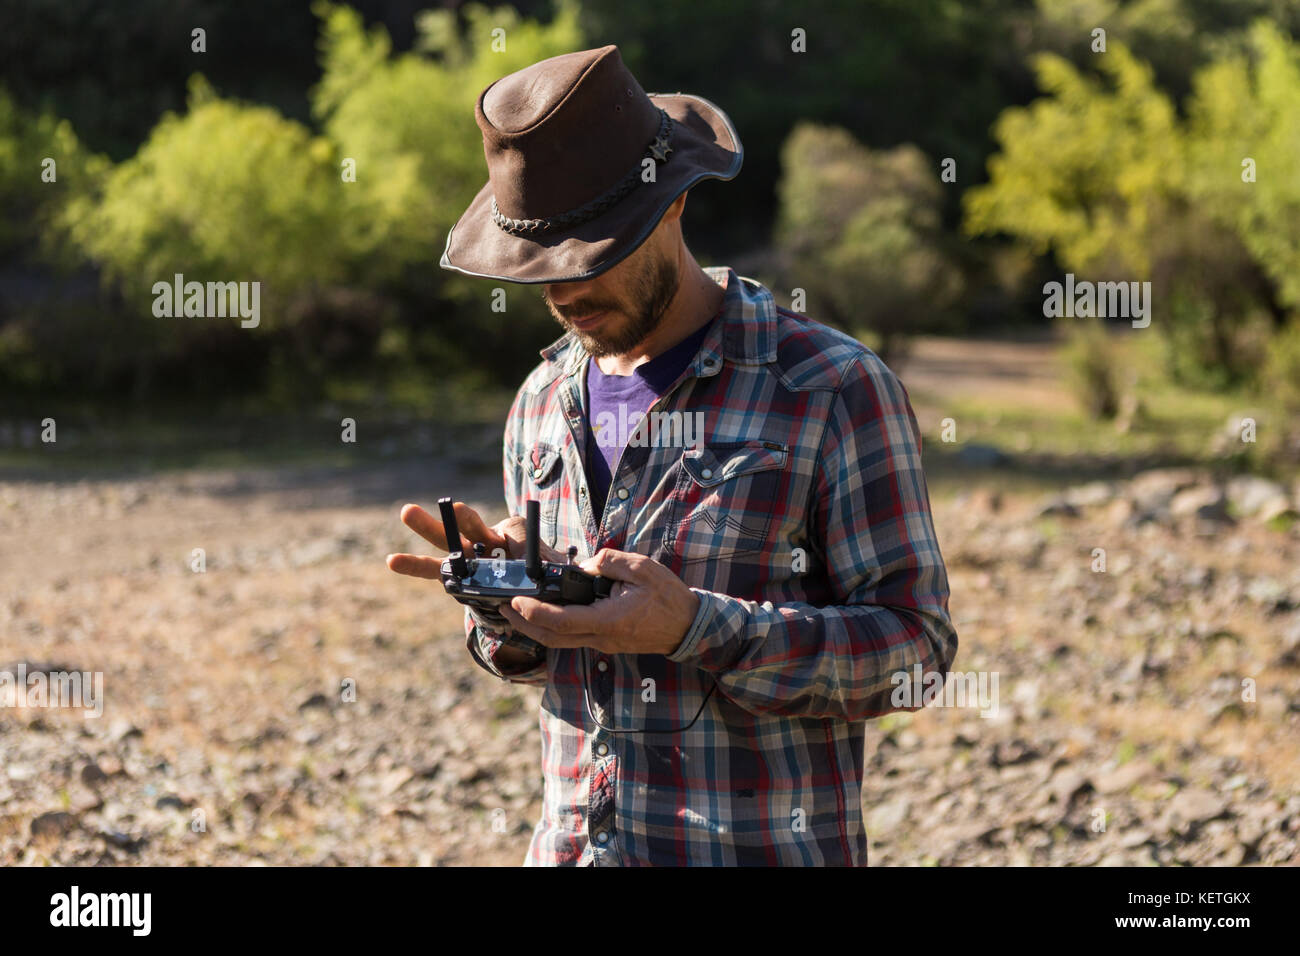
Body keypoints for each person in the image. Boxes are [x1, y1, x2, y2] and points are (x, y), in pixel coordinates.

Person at [386, 45, 957, 866]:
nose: (565, 293)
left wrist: (696, 627)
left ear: (671, 208)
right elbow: (549, 669)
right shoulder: (541, 402)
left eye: (590, 256)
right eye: (539, 268)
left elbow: (917, 653)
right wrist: (505, 604)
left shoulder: (831, 389)